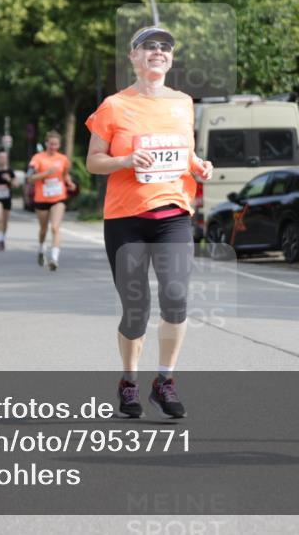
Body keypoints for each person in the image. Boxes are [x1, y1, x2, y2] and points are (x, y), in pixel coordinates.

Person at [85, 25, 214, 419]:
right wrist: (124, 160)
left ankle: (166, 380)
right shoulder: (114, 105)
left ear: (170, 59)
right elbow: (93, 161)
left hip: (173, 213)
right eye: (149, 46)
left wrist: (200, 166)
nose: (158, 51)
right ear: (134, 57)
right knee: (136, 310)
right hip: (126, 219)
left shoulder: (183, 102)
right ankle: (128, 382)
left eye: (165, 47)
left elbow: (183, 152)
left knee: (176, 296)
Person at [28, 131, 74, 270]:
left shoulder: (63, 159)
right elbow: (30, 178)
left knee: (55, 227)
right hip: (41, 198)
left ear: (59, 145)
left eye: (56, 144)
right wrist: (46, 173)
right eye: (51, 143)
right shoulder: (37, 158)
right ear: (46, 143)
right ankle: (41, 249)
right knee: (43, 229)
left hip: (58, 197)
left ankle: (54, 258)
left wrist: (70, 183)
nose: (53, 146)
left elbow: (65, 175)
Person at [0, 150, 17, 251]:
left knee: (5, 221)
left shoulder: (10, 171)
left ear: (6, 159)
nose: (2, 159)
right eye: (0, 157)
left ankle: (3, 237)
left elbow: (16, 184)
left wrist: (9, 179)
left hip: (7, 198)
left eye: (4, 157)